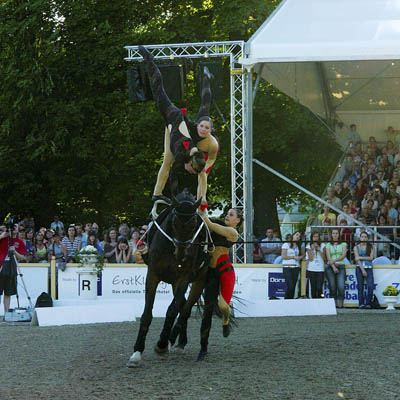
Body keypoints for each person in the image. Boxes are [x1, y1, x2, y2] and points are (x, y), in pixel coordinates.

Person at [139, 45, 218, 206]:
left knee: (204, 107)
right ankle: (149, 59)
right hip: (173, 117)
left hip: (178, 123)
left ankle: (206, 78)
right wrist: (174, 197)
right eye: (190, 170)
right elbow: (174, 174)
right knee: (158, 89)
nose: (188, 172)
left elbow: (201, 169)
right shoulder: (183, 153)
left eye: (206, 128)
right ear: (189, 163)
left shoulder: (199, 147)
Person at [199, 207, 242, 337]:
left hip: (225, 271)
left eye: (231, 215)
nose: (227, 216)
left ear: (237, 220)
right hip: (211, 270)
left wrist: (203, 212)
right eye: (227, 214)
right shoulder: (221, 224)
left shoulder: (232, 233)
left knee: (223, 306)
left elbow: (210, 224)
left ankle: (226, 319)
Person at [0, 223, 26, 314]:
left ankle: (6, 313)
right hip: (1, 268)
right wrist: (2, 235)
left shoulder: (20, 242)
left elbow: (22, 257)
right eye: (12, 227)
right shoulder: (3, 238)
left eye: (16, 227)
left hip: (11, 269)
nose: (13, 228)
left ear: (18, 230)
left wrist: (15, 252)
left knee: (8, 293)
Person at [325, 229, 347, 308]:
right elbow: (328, 257)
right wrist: (333, 267)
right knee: (332, 286)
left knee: (341, 286)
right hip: (331, 267)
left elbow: (343, 255)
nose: (335, 235)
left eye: (336, 233)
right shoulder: (328, 245)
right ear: (331, 235)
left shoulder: (343, 244)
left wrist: (334, 260)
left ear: (339, 234)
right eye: (333, 233)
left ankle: (340, 305)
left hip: (341, 266)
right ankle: (333, 306)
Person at [353, 232, 375, 309]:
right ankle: (361, 303)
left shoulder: (371, 246)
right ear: (360, 238)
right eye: (362, 237)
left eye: (365, 237)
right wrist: (363, 270)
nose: (364, 238)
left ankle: (368, 303)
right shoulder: (356, 247)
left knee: (370, 285)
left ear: (367, 238)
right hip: (360, 268)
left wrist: (360, 257)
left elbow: (371, 258)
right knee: (360, 286)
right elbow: (357, 259)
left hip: (369, 268)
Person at [281, 231, 305, 299]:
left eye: (299, 236)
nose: (298, 237)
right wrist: (293, 257)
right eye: (296, 235)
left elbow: (304, 254)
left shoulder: (298, 246)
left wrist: (300, 258)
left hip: (296, 267)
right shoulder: (286, 244)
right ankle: (286, 301)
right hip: (287, 267)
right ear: (293, 235)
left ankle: (290, 302)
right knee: (290, 286)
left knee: (293, 286)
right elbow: (283, 256)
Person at [306, 232, 325, 299]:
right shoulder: (309, 246)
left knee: (319, 287)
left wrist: (319, 250)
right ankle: (314, 300)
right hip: (311, 269)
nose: (316, 238)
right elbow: (310, 259)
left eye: (317, 237)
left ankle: (320, 299)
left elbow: (324, 258)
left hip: (320, 269)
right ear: (312, 238)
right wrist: (312, 249)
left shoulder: (322, 245)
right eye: (314, 237)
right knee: (313, 287)